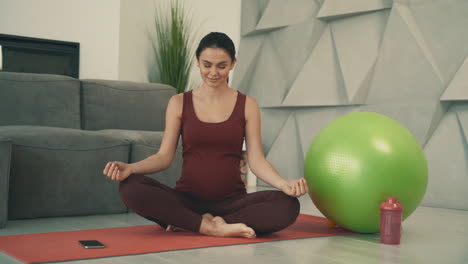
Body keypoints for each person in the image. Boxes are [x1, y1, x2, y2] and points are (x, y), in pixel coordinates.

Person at [102, 32, 308, 238]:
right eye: (207, 65)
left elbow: (257, 160)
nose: (213, 72)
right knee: (130, 188)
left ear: (233, 63)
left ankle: (194, 223)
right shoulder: (179, 102)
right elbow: (163, 157)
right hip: (187, 201)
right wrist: (130, 168)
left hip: (232, 203)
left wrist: (284, 184)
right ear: (197, 62)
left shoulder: (248, 105)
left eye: (222, 66)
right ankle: (210, 226)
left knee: (287, 205)